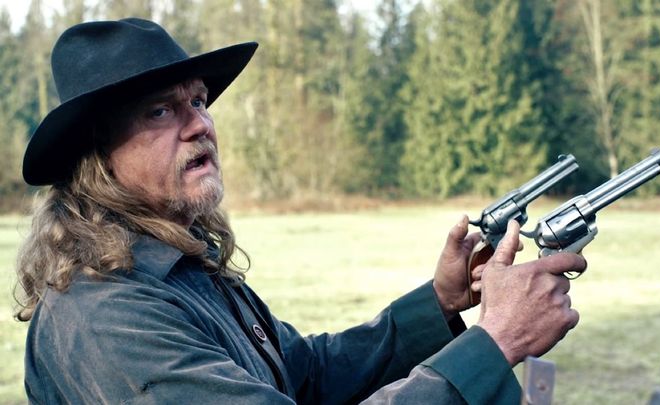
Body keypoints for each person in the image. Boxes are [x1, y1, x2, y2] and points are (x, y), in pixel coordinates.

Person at [15, 18, 586, 404]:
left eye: (198, 101)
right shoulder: (106, 314)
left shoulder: (183, 270)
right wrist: (495, 342)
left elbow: (306, 374)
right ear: (97, 157)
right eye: (160, 112)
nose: (200, 124)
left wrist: (439, 303)